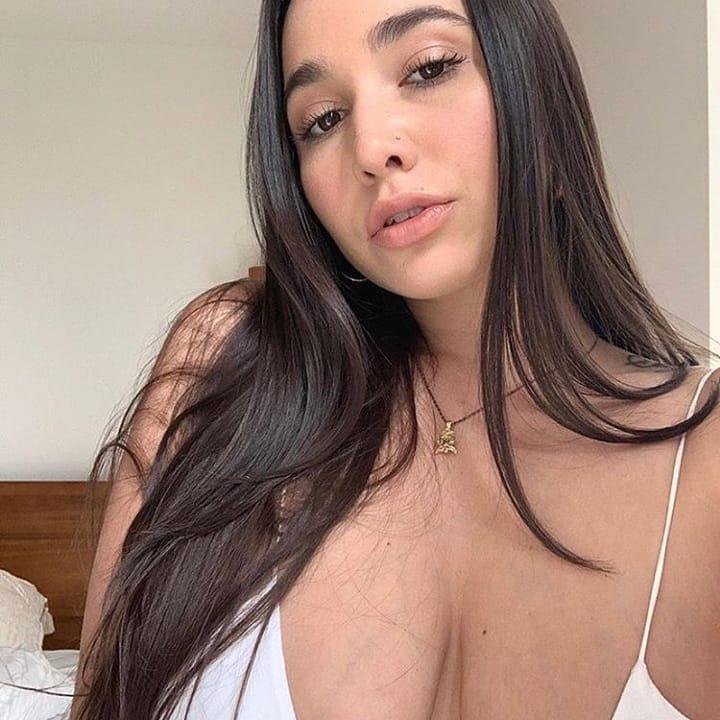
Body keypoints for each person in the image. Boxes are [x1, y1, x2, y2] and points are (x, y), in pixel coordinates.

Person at [70, 0, 720, 718]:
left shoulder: (704, 464)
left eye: (429, 68)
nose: (371, 147)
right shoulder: (222, 369)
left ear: (539, 99)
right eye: (323, 119)